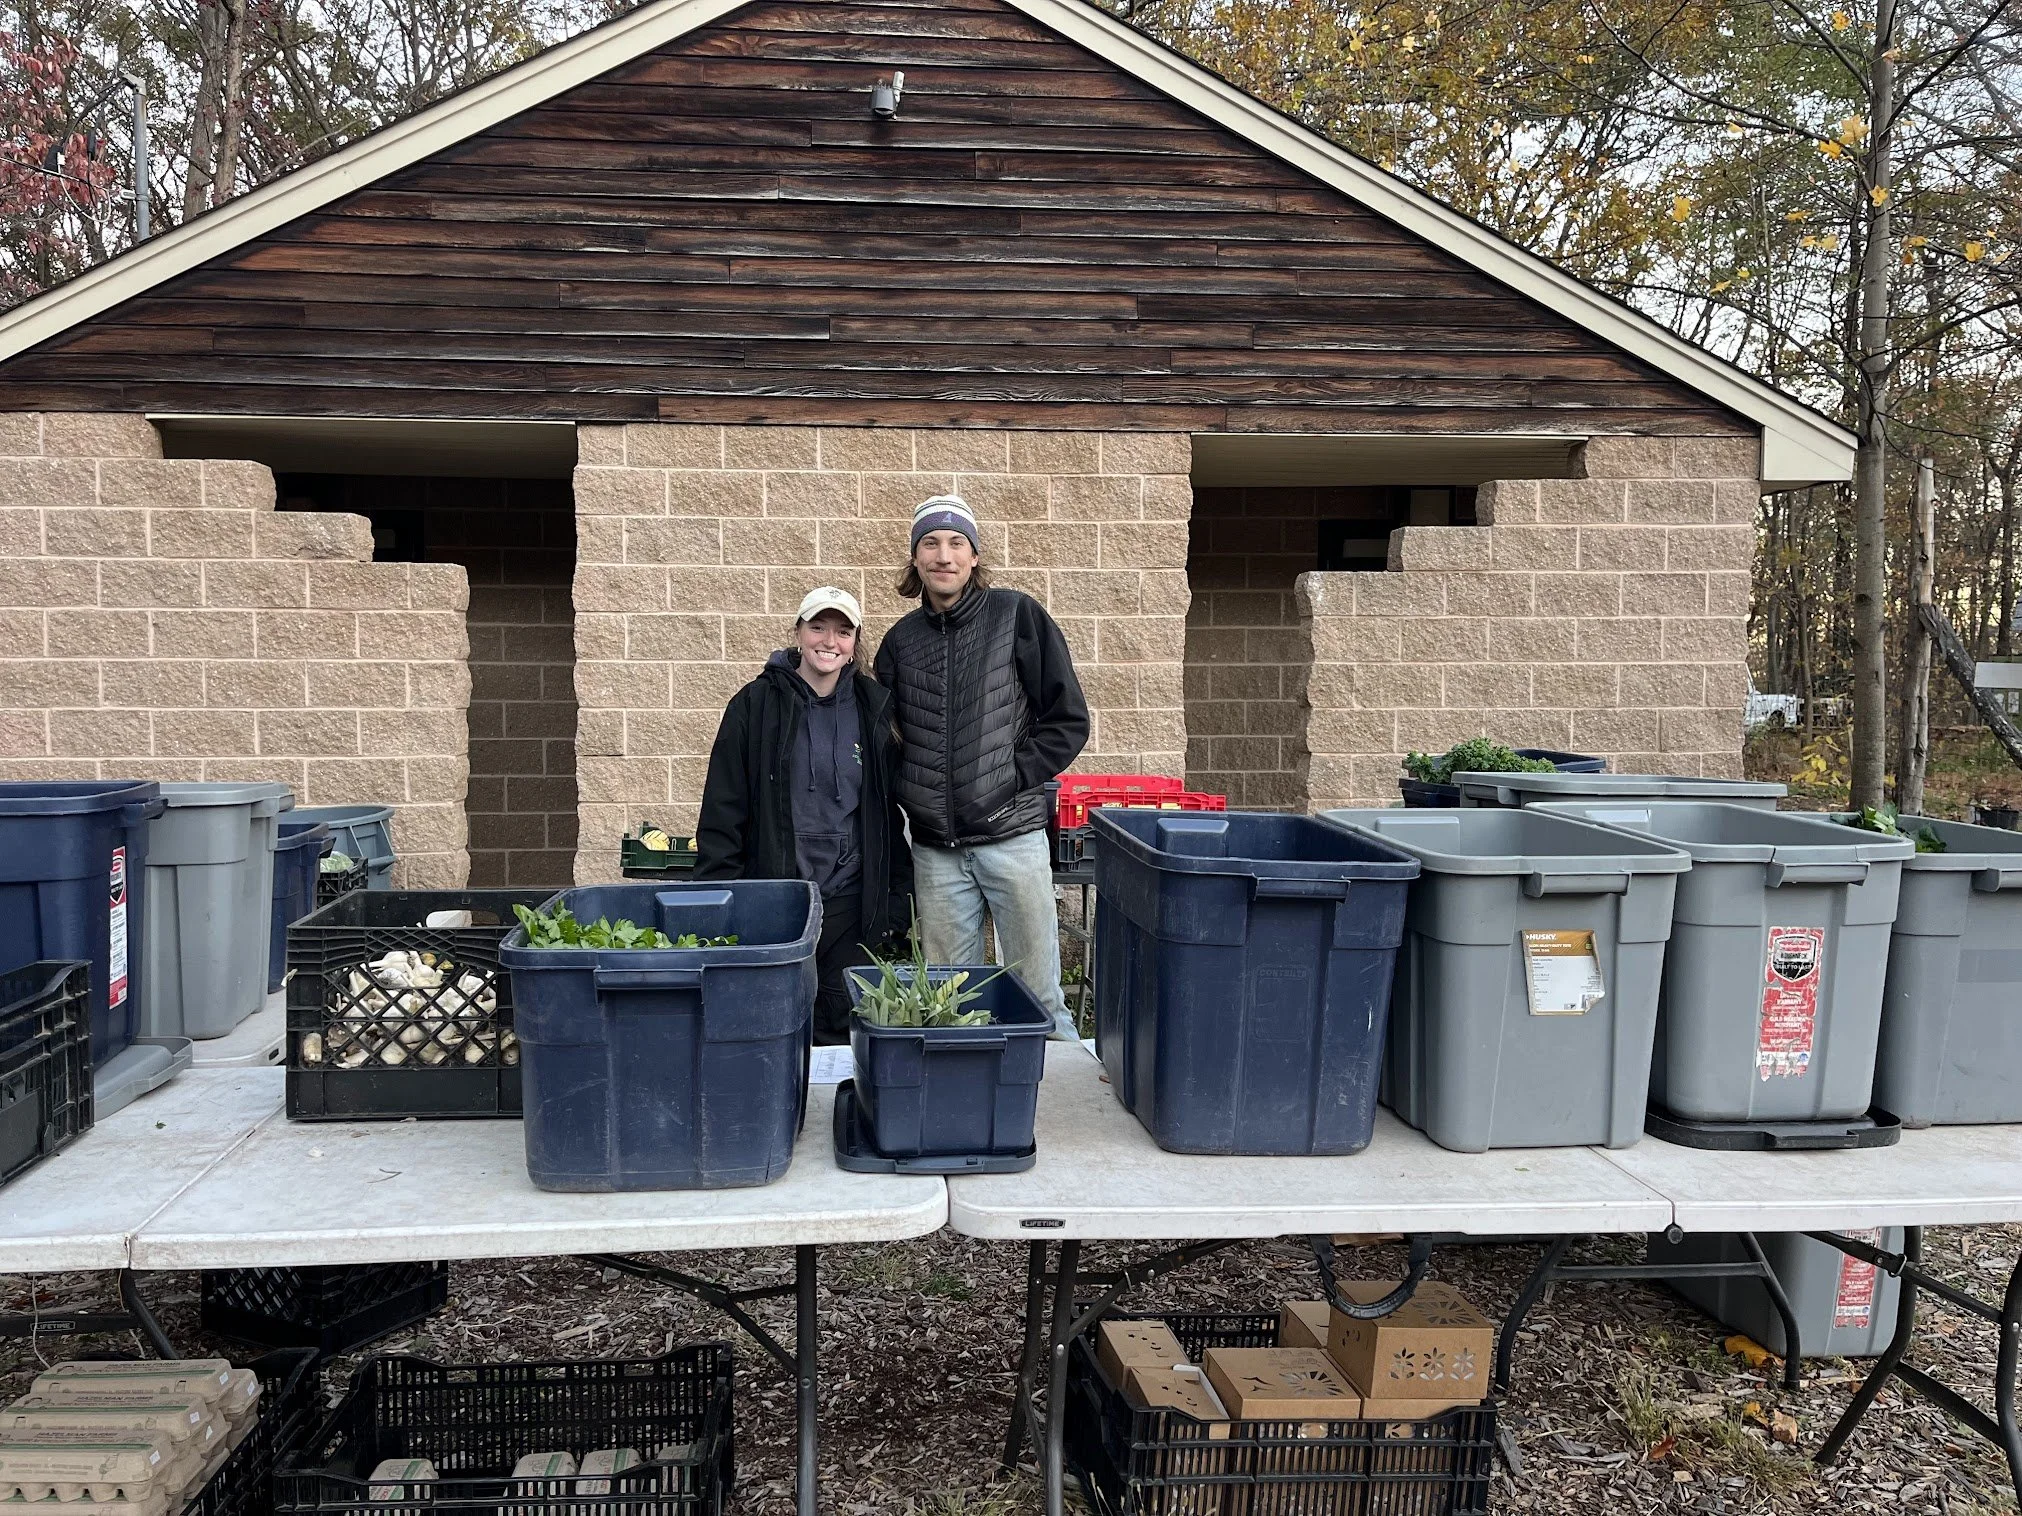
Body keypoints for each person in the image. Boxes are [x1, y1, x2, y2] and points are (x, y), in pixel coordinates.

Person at [874, 494, 1089, 1038]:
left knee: (1040, 996)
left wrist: (1010, 779)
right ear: (915, 560)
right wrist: (911, 793)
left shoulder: (1015, 615)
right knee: (955, 1000)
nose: (943, 555)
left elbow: (1066, 720)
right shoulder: (900, 642)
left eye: (956, 543)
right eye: (930, 542)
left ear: (973, 558)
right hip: (935, 854)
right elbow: (889, 738)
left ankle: (1062, 1112)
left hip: (1011, 837)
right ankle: (971, 1112)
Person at [695, 586, 911, 1044]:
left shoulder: (875, 708)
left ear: (855, 640)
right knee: (774, 1022)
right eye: (818, 627)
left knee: (839, 1023)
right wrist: (718, 901)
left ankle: (829, 1113)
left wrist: (895, 899)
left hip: (850, 899)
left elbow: (885, 814)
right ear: (798, 632)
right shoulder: (754, 705)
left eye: (843, 631)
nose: (829, 641)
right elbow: (723, 806)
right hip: (778, 896)